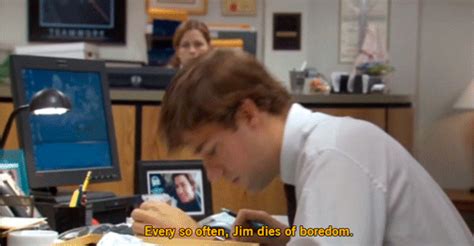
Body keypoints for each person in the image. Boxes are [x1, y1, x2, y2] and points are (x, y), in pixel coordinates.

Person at [132, 49, 473, 245]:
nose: (213, 174)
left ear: (248, 114)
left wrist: (193, 240)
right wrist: (291, 239)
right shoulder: (326, 148)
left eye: (213, 150)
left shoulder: (336, 154)